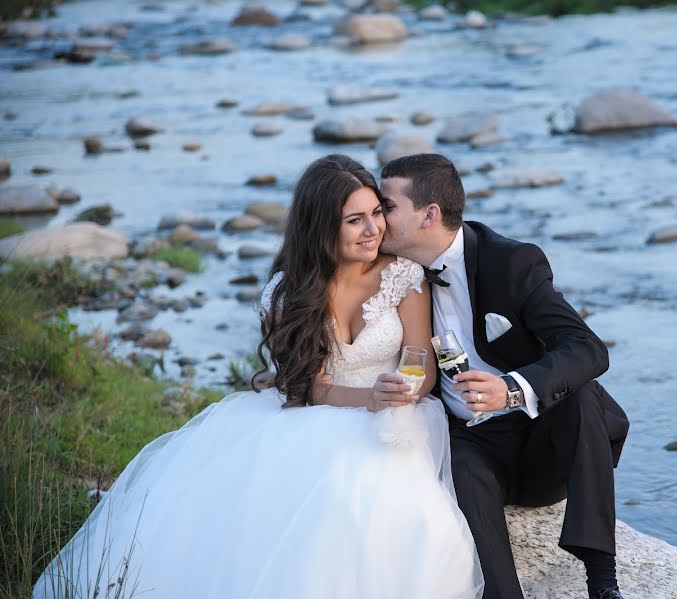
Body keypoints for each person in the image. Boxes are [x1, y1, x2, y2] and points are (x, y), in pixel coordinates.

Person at [34, 155, 483, 599]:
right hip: (315, 410)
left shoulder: (404, 276)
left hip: (394, 416)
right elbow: (308, 387)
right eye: (354, 220)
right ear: (322, 227)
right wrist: (367, 398)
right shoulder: (290, 293)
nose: (373, 230)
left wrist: (401, 391)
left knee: (379, 501)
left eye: (376, 213)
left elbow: (420, 364)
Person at [374, 153, 630, 599]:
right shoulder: (387, 270)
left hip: (539, 444)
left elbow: (587, 349)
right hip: (469, 443)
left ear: (429, 214)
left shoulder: (511, 263)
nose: (377, 220)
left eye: (387, 207)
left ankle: (603, 582)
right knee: (460, 462)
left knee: (582, 393)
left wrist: (511, 390)